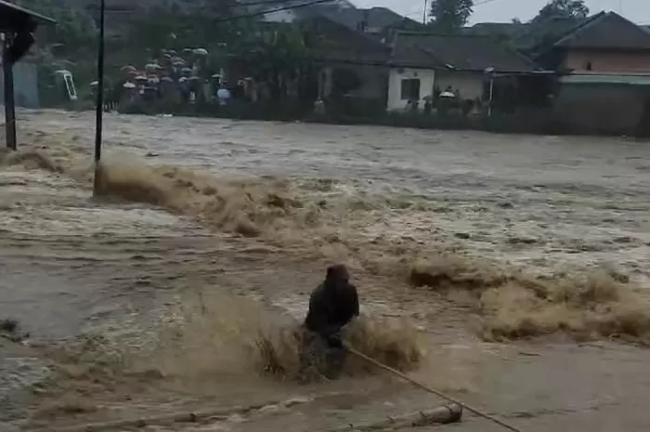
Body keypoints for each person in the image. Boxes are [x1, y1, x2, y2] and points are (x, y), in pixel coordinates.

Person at [299, 264, 359, 381]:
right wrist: (338, 340)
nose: (345, 284)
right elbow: (320, 328)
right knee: (315, 353)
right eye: (342, 281)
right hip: (317, 328)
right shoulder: (318, 297)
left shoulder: (351, 291)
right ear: (330, 280)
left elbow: (355, 316)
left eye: (346, 281)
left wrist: (348, 333)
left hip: (339, 325)